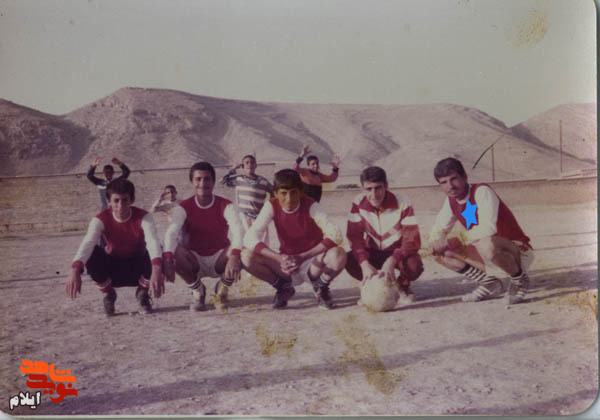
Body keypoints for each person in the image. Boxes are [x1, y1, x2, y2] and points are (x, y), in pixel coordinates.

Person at [429, 157, 533, 304]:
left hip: (515, 250)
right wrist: (435, 242)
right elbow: (439, 228)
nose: (450, 186)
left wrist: (451, 241)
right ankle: (490, 283)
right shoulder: (451, 200)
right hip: (487, 252)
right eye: (444, 182)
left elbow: (488, 229)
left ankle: (519, 279)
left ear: (465, 177)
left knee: (486, 243)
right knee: (438, 253)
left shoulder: (481, 191)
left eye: (454, 179)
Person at [242, 169, 346, 310]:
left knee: (339, 254)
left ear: (301, 191)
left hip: (312, 263)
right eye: (284, 193)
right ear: (275, 193)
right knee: (246, 256)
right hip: (287, 265)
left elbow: (335, 234)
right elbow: (249, 237)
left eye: (293, 192)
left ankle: (321, 286)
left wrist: (302, 257)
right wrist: (279, 258)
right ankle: (283, 287)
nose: (289, 199)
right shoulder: (271, 205)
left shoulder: (310, 205)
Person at [66, 178, 165, 316]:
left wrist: (157, 270)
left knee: (158, 250)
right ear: (109, 201)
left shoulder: (144, 216)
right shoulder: (100, 219)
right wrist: (75, 268)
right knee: (92, 253)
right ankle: (109, 294)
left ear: (132, 200)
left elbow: (152, 241)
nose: (121, 205)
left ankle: (142, 292)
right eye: (116, 201)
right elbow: (87, 243)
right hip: (113, 270)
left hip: (138, 268)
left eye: (125, 200)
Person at [162, 162, 244, 312]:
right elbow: (171, 233)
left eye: (207, 179)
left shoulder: (226, 205)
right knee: (171, 251)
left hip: (219, 258)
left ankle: (222, 288)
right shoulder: (183, 207)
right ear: (191, 182)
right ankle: (198, 291)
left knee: (243, 249)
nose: (202, 183)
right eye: (198, 179)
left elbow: (238, 229)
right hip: (194, 259)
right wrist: (167, 259)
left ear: (213, 181)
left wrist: (235, 255)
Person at [345, 166, 424, 304]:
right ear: (362, 189)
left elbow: (411, 240)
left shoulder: (403, 202)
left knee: (414, 265)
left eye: (378, 188)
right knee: (349, 259)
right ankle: (372, 283)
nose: (374, 194)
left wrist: (392, 260)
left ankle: (401, 286)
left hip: (397, 252)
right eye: (369, 189)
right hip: (373, 251)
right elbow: (354, 237)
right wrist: (364, 263)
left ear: (386, 186)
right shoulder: (358, 202)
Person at [221, 155, 273, 235]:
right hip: (243, 218)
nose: (249, 165)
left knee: (258, 241)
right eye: (247, 163)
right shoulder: (238, 179)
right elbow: (222, 181)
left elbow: (274, 192)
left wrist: (268, 208)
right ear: (243, 166)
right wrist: (233, 169)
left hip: (258, 218)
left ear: (256, 165)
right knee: (244, 240)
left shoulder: (263, 181)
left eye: (252, 162)